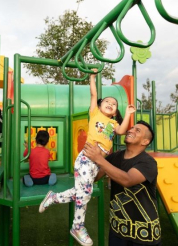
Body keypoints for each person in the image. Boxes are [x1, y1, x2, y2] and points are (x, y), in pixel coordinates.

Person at [39, 69, 135, 246]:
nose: (110, 104)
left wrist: (128, 113)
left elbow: (121, 131)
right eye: (107, 101)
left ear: (115, 112)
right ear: (99, 106)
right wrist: (92, 77)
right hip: (86, 158)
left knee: (84, 192)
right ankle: (78, 225)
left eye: (113, 104)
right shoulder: (95, 114)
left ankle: (53, 197)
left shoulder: (113, 123)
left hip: (98, 162)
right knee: (85, 194)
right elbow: (94, 94)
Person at [84, 121, 161, 246]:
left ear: (145, 142)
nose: (130, 130)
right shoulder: (115, 157)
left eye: (137, 130)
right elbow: (95, 177)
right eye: (132, 128)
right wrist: (86, 160)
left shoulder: (148, 163)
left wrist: (99, 159)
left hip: (144, 234)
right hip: (118, 229)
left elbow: (128, 180)